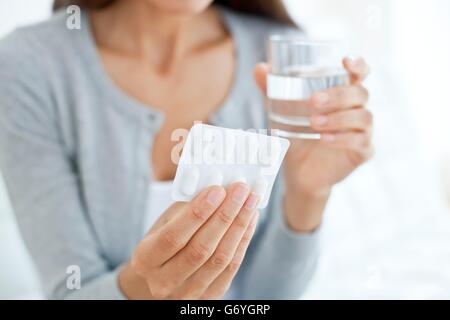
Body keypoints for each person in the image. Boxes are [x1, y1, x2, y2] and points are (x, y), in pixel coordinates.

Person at [0, 0, 373, 299]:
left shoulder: (279, 56)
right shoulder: (30, 65)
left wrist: (308, 193)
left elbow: (265, 296)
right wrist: (145, 288)